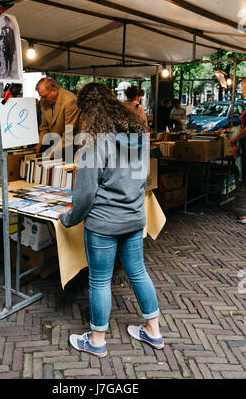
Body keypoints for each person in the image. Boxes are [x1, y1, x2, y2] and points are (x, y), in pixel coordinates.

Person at [60, 82, 163, 358]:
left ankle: (96, 341)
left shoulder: (93, 141)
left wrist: (68, 219)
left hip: (104, 222)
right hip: (133, 217)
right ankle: (153, 331)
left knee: (100, 280)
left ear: (87, 111)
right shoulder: (138, 135)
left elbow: (84, 194)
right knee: (138, 272)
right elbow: (142, 179)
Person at [34, 77, 80, 159]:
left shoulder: (70, 101)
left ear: (54, 90)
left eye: (44, 96)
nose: (42, 100)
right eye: (41, 97)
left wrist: (55, 150)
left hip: (70, 152)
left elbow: (69, 134)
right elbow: (44, 127)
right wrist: (41, 143)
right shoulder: (44, 102)